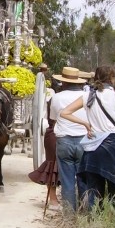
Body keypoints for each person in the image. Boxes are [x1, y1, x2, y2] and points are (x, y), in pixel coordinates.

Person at [60, 65, 115, 212]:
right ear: (112, 79)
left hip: (93, 147)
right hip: (112, 146)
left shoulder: (87, 96)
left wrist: (85, 124)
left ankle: (93, 220)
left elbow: (65, 112)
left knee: (94, 191)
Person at [49, 67, 88, 214]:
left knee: (67, 181)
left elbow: (53, 119)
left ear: (63, 82)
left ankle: (69, 216)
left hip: (64, 140)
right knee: (83, 179)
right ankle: (84, 212)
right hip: (84, 140)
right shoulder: (86, 96)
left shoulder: (57, 97)